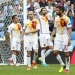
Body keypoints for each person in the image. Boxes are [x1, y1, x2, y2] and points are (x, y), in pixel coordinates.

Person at [51, 6, 72, 73]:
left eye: (57, 10)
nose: (56, 11)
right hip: (57, 36)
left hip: (65, 37)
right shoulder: (56, 18)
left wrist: (69, 39)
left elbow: (70, 29)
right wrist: (52, 35)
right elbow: (55, 28)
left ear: (61, 11)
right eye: (56, 10)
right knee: (55, 52)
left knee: (66, 53)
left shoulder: (67, 18)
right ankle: (63, 65)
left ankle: (67, 68)